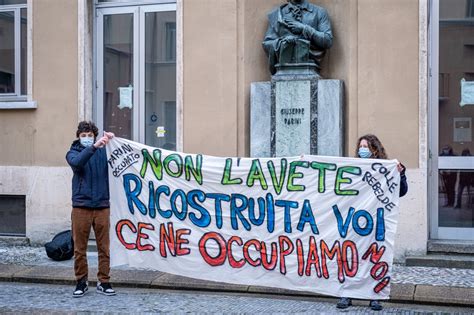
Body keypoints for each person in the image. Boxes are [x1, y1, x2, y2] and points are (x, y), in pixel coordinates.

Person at [336, 134, 408, 311]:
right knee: (352, 257)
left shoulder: (386, 169)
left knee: (375, 259)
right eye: (360, 147)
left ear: (374, 149)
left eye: (365, 147)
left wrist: (402, 174)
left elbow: (401, 192)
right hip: (355, 221)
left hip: (377, 222)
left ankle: (374, 296)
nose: (362, 150)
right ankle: (347, 294)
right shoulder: (354, 167)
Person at [66, 121, 115, 298]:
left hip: (102, 206)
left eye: (90, 135)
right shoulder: (72, 153)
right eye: (83, 135)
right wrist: (94, 146)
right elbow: (78, 163)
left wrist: (113, 143)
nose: (87, 138)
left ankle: (104, 281)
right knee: (80, 248)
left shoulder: (104, 153)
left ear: (95, 135)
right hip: (81, 207)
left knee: (104, 248)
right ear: (78, 137)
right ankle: (81, 281)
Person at [262, 0, 333, 75]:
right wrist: (283, 42)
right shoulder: (277, 15)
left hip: (310, 66)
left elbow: (327, 41)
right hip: (284, 68)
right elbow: (267, 44)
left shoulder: (319, 12)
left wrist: (304, 29)